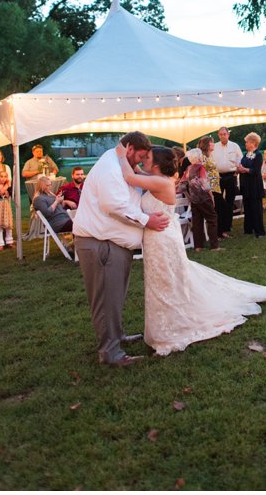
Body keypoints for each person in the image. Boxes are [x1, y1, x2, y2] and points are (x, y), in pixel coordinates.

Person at [112, 143, 266, 356]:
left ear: (156, 165)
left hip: (162, 240)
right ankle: (166, 325)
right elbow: (136, 173)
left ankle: (170, 329)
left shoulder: (159, 181)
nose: (141, 161)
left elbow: (130, 177)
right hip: (159, 237)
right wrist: (134, 165)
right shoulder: (158, 178)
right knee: (163, 282)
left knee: (167, 282)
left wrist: (120, 155)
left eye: (146, 158)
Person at [72, 131, 171, 367]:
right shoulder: (109, 166)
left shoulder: (118, 163)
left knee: (114, 297)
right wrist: (147, 220)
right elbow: (114, 205)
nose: (140, 161)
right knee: (105, 299)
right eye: (141, 156)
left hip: (113, 245)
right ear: (129, 149)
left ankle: (117, 337)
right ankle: (110, 353)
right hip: (100, 244)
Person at [181, 149, 219, 251]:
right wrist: (211, 195)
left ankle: (198, 246)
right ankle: (214, 246)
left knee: (197, 222)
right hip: (203, 197)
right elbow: (204, 183)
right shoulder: (200, 167)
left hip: (194, 199)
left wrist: (189, 196)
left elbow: (182, 185)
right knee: (212, 219)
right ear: (198, 157)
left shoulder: (188, 169)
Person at [211, 127, 242, 238]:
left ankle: (227, 227)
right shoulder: (214, 147)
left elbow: (240, 159)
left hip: (231, 176)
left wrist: (236, 172)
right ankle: (220, 226)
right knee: (219, 202)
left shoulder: (234, 146)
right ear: (218, 135)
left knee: (230, 202)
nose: (223, 136)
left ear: (228, 134)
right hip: (218, 177)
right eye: (220, 134)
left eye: (225, 134)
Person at [236, 133, 266, 238]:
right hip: (246, 185)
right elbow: (243, 164)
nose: (245, 144)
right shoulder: (247, 154)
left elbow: (255, 170)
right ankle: (248, 228)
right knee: (247, 207)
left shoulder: (258, 155)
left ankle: (259, 231)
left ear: (253, 143)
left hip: (254, 185)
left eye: (247, 142)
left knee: (256, 208)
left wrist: (244, 169)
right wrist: (239, 168)